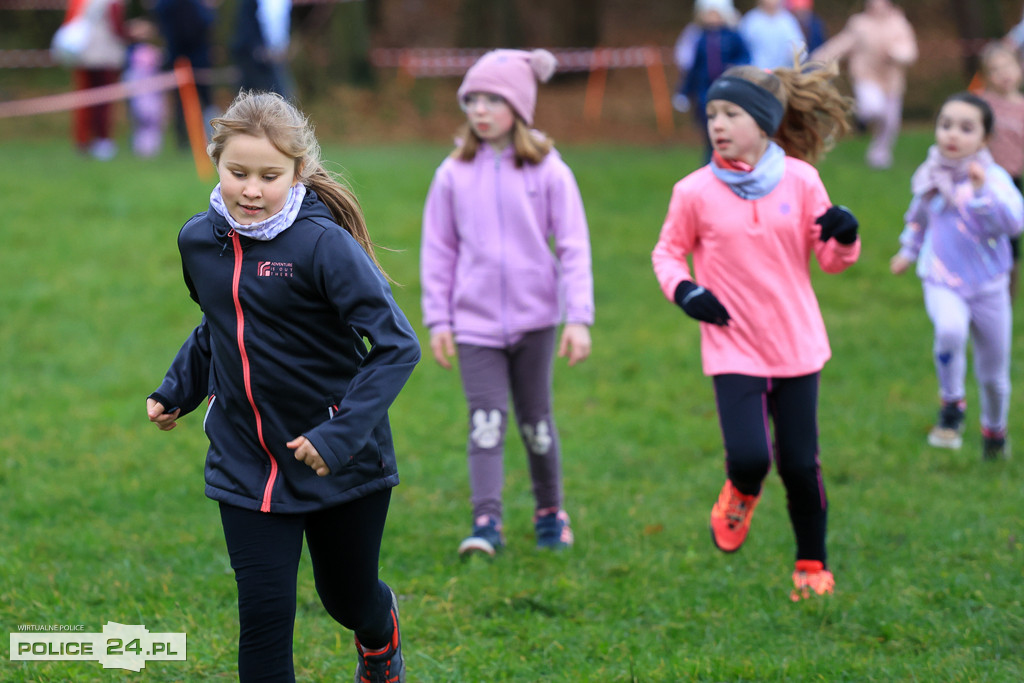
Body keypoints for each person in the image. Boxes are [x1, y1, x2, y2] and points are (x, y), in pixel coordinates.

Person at [146, 90, 419, 682]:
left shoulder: (325, 247)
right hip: (244, 459)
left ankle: (381, 635)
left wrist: (339, 434)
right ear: (215, 162)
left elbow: (398, 346)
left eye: (269, 176)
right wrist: (178, 389)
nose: (250, 189)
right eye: (236, 172)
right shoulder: (200, 240)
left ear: (299, 172)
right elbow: (220, 323)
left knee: (346, 599)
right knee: (264, 618)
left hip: (337, 461)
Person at [652, 60, 860, 601]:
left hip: (796, 344)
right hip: (732, 344)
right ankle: (742, 490)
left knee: (798, 464)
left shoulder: (802, 180)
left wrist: (845, 234)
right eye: (712, 113)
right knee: (750, 456)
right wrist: (686, 291)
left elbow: (832, 260)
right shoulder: (693, 190)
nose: (717, 124)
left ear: (764, 124)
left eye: (731, 114)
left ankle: (812, 563)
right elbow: (668, 253)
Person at [420, 49, 594, 558]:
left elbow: (574, 245)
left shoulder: (548, 171)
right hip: (474, 326)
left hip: (536, 320)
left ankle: (550, 513)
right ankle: (486, 522)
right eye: (471, 98)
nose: (479, 109)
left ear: (519, 106)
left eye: (493, 99)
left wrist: (577, 318)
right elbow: (438, 251)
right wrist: (440, 319)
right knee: (486, 421)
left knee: (536, 424)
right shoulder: (452, 173)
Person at [889, 92, 1022, 461]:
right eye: (945, 125)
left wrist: (980, 193)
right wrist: (907, 251)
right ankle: (952, 403)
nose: (953, 135)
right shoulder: (929, 176)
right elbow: (918, 218)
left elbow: (1013, 223)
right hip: (941, 278)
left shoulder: (994, 179)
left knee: (994, 376)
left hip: (990, 285)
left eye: (966, 128)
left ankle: (994, 432)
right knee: (949, 330)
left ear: (984, 138)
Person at [811, 0, 918, 170]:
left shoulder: (899, 23)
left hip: (892, 81)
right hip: (866, 76)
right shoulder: (859, 24)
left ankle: (879, 155)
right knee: (873, 108)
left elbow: (909, 51)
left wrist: (896, 55)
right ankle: (861, 118)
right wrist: (822, 56)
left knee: (890, 122)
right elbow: (842, 43)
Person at [975, 42, 1024, 300]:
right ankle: (978, 285)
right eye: (995, 69)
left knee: (1011, 238)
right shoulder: (982, 104)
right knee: (981, 232)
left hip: (1013, 181)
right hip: (984, 179)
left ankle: (1008, 295)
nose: (1003, 74)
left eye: (1008, 66)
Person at [673, 0, 751, 163]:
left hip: (729, 91)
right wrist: (684, 91)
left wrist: (735, 68)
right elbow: (694, 69)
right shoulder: (700, 39)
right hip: (706, 92)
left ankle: (730, 161)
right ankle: (710, 163)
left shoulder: (733, 36)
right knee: (710, 130)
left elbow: (745, 57)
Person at [60, 0, 128, 159]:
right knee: (102, 102)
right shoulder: (112, 3)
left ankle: (82, 140)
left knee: (85, 100)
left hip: (83, 54)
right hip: (103, 56)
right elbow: (117, 28)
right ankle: (102, 141)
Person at [153, 0, 219, 146]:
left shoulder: (169, 5)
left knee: (191, 102)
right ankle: (197, 139)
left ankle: (194, 139)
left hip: (183, 58)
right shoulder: (194, 5)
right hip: (191, 58)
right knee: (198, 101)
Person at [231, 0, 295, 99]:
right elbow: (272, 16)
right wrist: (277, 47)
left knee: (246, 96)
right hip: (260, 52)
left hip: (248, 49)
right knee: (279, 96)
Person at [738, 0, 805, 70]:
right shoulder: (751, 20)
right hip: (756, 73)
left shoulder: (788, 20)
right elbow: (742, 49)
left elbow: (799, 47)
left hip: (782, 73)